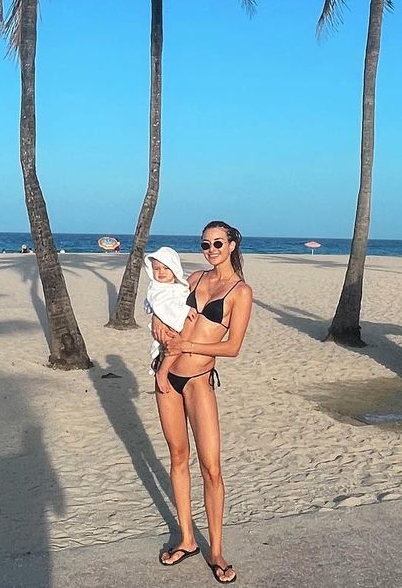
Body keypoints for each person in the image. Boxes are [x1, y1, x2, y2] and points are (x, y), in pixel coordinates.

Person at [152, 221, 253, 584]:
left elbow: (233, 347)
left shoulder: (241, 292)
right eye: (205, 244)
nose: (211, 250)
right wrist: (157, 324)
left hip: (198, 380)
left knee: (211, 468)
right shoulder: (193, 279)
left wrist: (187, 345)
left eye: (217, 244)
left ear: (231, 245)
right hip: (167, 376)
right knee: (178, 457)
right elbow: (162, 302)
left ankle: (217, 551)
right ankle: (187, 539)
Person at [141, 247, 193, 388]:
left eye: (166, 268)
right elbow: (162, 306)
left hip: (175, 326)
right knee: (173, 347)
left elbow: (183, 300)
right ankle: (162, 372)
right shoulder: (156, 288)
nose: (161, 272)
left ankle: (165, 368)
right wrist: (185, 311)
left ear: (174, 268)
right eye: (156, 269)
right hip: (164, 328)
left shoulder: (180, 287)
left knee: (175, 347)